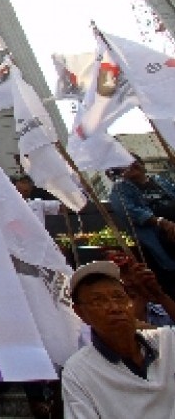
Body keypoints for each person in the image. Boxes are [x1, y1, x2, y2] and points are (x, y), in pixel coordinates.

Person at [62, 260, 175, 417]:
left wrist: (160, 295)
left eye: (119, 297)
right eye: (98, 301)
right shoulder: (78, 370)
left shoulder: (166, 342)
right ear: (80, 313)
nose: (114, 308)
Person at [108, 155, 175, 296]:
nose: (132, 166)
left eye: (134, 162)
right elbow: (129, 211)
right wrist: (162, 222)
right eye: (124, 164)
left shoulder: (160, 182)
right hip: (160, 246)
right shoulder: (120, 191)